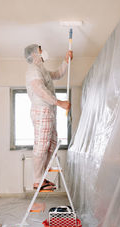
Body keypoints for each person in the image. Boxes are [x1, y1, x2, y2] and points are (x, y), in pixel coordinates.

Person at [24, 44, 72, 190]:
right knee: (42, 145)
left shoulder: (42, 70)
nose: (43, 51)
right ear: (33, 55)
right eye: (40, 50)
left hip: (49, 111)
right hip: (41, 110)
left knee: (51, 144)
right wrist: (59, 103)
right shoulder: (33, 71)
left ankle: (42, 178)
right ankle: (38, 180)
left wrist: (66, 61)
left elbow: (57, 74)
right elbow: (40, 90)